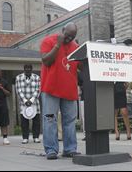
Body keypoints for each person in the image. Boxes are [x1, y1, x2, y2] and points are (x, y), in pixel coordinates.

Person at [40, 22, 80, 160]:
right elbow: (46, 61)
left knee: (69, 120)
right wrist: (58, 45)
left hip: (69, 90)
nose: (69, 39)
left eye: (72, 37)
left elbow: (82, 67)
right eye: (68, 36)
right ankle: (51, 149)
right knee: (50, 119)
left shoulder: (75, 47)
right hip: (51, 88)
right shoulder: (48, 40)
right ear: (63, 30)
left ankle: (70, 149)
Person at [15, 64, 41, 144]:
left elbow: (38, 89)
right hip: (23, 104)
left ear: (31, 69)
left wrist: (32, 100)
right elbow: (18, 90)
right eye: (26, 68)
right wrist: (25, 100)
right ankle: (25, 138)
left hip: (35, 103)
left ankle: (36, 137)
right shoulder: (18, 77)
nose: (28, 69)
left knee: (36, 121)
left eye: (29, 68)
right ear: (24, 69)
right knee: (24, 122)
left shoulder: (37, 77)